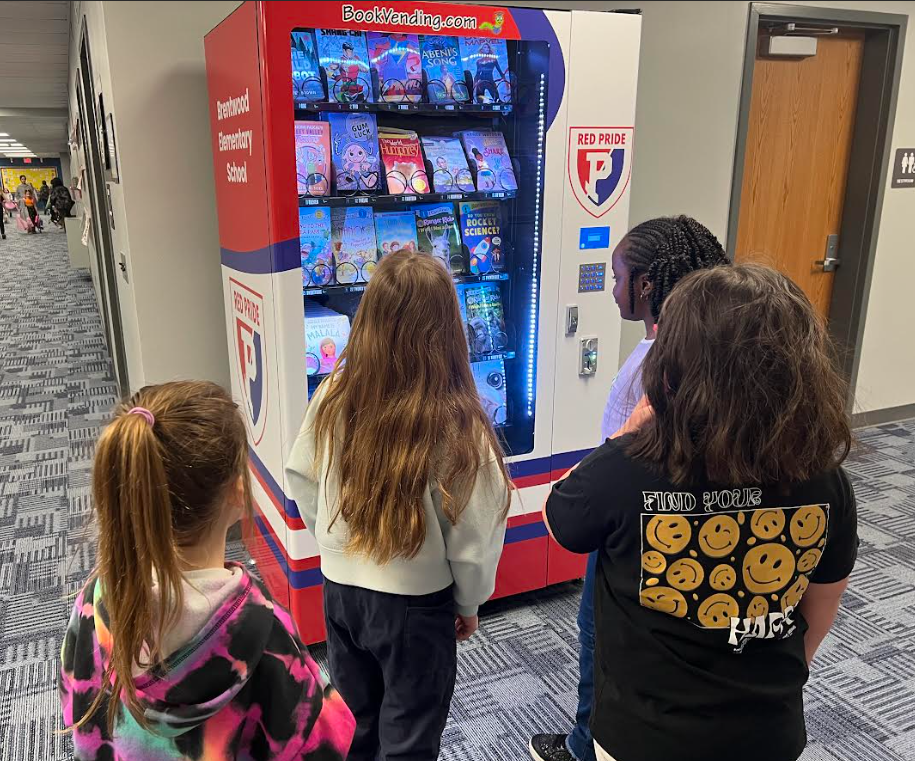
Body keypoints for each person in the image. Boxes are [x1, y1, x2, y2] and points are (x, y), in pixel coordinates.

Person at [544, 264, 857, 761]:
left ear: (675, 364)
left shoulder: (632, 465)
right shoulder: (824, 477)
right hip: (767, 729)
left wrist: (624, 435)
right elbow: (821, 606)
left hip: (641, 733)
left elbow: (560, 515)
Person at [286, 249, 512, 761]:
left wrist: (336, 543)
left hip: (341, 594)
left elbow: (300, 473)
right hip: (416, 607)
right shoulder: (456, 418)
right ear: (448, 329)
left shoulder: (335, 393)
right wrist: (470, 601)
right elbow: (475, 529)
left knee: (355, 724)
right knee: (409, 734)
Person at [60, 381, 356, 760]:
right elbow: (325, 745)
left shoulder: (95, 600)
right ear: (237, 491)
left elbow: (79, 709)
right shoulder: (266, 637)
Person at [530, 215, 729, 761]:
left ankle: (584, 746)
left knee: (598, 635)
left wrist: (606, 460)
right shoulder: (680, 345)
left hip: (633, 515)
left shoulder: (668, 361)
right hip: (641, 512)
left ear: (645, 284)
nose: (612, 288)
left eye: (617, 277)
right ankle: (582, 738)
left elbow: (571, 504)